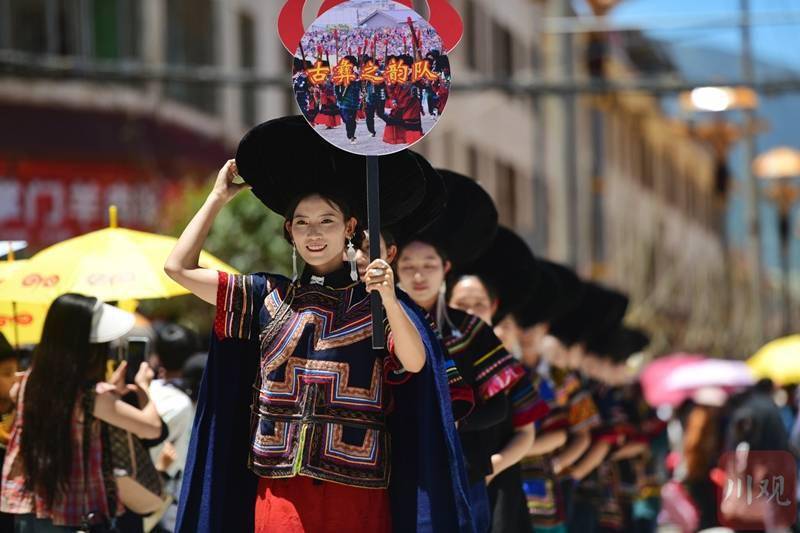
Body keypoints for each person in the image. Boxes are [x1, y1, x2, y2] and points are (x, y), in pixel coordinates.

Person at [167, 116, 472, 533]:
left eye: (327, 220)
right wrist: (218, 197)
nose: (315, 233)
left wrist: (387, 296)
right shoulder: (264, 295)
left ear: (349, 228)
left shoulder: (377, 301)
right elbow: (178, 268)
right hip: (280, 489)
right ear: (289, 231)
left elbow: (416, 363)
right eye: (303, 223)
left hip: (356, 492)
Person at [1, 294, 163, 531]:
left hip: (29, 508)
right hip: (75, 515)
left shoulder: (26, 384)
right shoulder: (90, 396)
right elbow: (152, 427)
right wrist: (144, 388)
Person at [450, 227, 552, 533]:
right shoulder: (434, 355)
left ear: (493, 308)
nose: (470, 312)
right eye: (461, 304)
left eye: (478, 304)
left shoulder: (507, 365)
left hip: (498, 483)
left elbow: (526, 434)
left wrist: (492, 468)